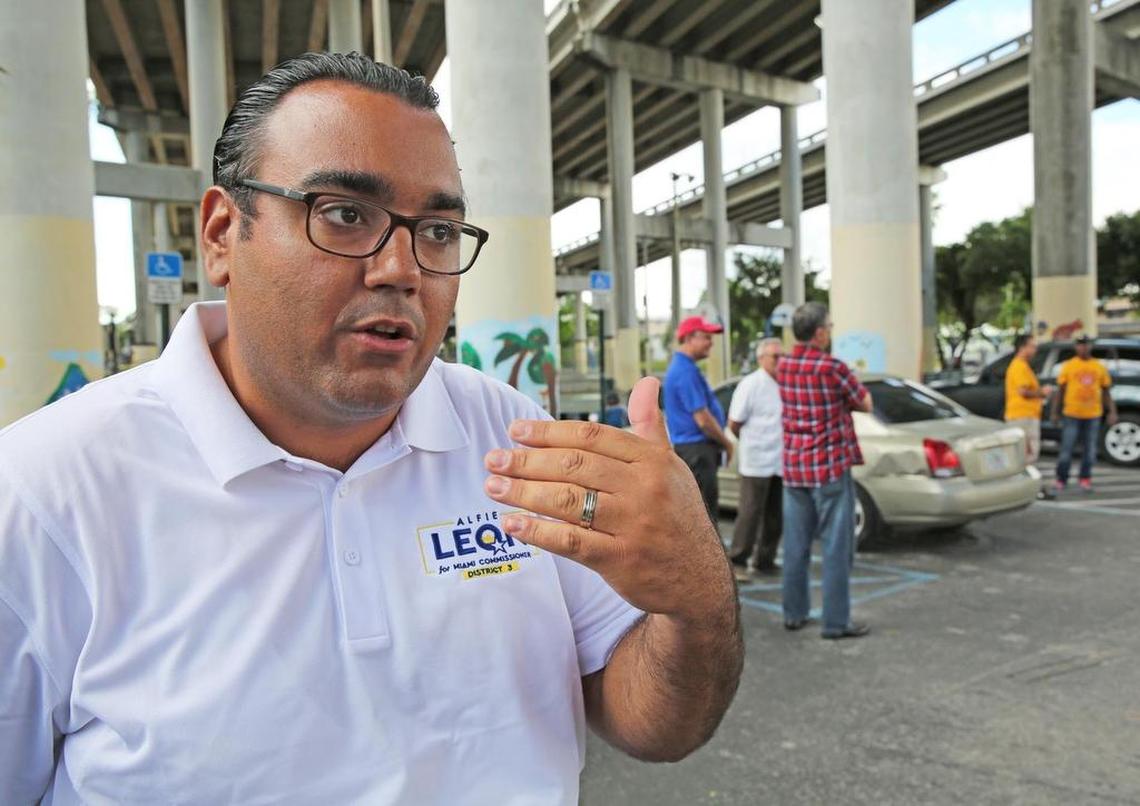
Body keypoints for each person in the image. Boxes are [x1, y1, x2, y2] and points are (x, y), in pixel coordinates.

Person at [0, 54, 742, 804]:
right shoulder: (44, 494)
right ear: (224, 233)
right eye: (345, 215)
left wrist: (695, 597)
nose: (401, 269)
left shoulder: (515, 436)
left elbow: (653, 723)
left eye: (440, 230)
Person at [778, 303, 873, 640]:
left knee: (795, 545)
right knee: (835, 547)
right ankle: (835, 622)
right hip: (830, 467)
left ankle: (794, 612)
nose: (830, 332)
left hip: (794, 467)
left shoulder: (783, 365)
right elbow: (865, 402)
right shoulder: (833, 367)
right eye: (829, 327)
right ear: (819, 332)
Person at [663, 315, 735, 522]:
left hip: (694, 451)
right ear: (688, 338)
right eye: (706, 337)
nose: (710, 342)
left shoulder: (684, 368)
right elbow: (702, 419)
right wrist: (727, 443)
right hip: (697, 451)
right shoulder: (685, 372)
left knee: (699, 513)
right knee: (705, 517)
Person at [726, 338, 784, 583]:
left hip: (780, 460)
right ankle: (738, 560)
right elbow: (734, 423)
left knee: (775, 513)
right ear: (761, 358)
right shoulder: (751, 384)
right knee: (750, 512)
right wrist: (752, 442)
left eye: (783, 356)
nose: (780, 362)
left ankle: (765, 559)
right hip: (756, 459)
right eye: (775, 357)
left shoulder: (785, 384)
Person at [1050, 335, 1117, 493]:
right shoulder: (1069, 366)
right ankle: (1061, 478)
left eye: (1085, 345)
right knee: (1066, 449)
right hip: (1072, 414)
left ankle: (1085, 478)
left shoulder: (1099, 367)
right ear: (1075, 347)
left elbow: (1106, 391)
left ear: (1090, 346)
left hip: (1093, 414)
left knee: (1090, 450)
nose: (1083, 348)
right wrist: (1055, 412)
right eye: (1080, 345)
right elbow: (1060, 391)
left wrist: (1112, 411)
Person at [1003, 333, 1055, 497]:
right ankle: (1026, 488)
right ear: (1022, 347)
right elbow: (1024, 391)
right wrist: (1043, 392)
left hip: (1026, 416)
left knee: (1025, 453)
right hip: (1022, 417)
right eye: (1032, 346)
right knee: (1026, 453)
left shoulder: (1023, 366)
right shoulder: (1018, 366)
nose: (1035, 349)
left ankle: (1026, 487)